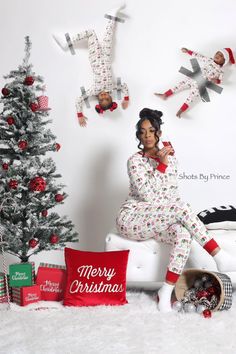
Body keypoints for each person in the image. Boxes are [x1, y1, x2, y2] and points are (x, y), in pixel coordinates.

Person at [116, 108, 236, 312]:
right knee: (181, 207)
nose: (147, 136)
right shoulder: (134, 161)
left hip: (158, 219)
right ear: (138, 136)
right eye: (142, 132)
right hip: (132, 218)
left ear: (158, 133)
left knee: (182, 233)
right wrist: (161, 166)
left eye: (151, 131)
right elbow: (150, 197)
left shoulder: (172, 160)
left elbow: (170, 197)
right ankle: (218, 254)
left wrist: (166, 164)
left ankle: (165, 291)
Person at [53, 3, 129, 127]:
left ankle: (66, 43)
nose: (104, 96)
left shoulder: (94, 90)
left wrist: (80, 115)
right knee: (109, 36)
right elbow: (124, 86)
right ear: (111, 97)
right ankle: (112, 16)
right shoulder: (112, 87)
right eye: (107, 98)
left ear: (98, 99)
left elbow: (79, 100)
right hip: (107, 56)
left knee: (90, 33)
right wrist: (126, 99)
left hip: (96, 57)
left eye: (101, 99)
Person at [154, 47, 235, 117]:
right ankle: (165, 95)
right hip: (193, 77)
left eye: (221, 56)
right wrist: (188, 51)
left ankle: (181, 110)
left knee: (191, 98)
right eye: (217, 53)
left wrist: (215, 80)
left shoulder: (221, 71)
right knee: (178, 85)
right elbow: (199, 56)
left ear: (224, 61)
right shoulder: (209, 60)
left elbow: (220, 81)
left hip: (200, 85)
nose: (217, 55)